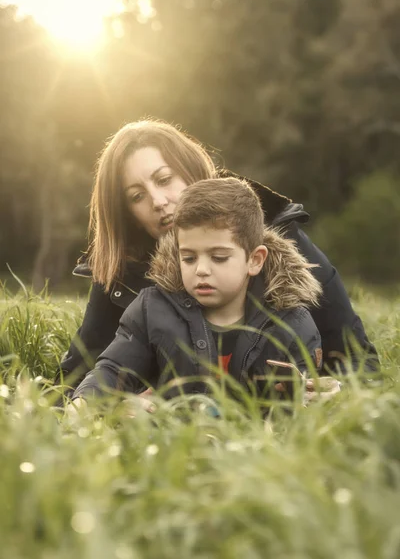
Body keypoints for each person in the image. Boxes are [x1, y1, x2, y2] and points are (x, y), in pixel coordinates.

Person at [55, 119, 378, 399]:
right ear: (128, 214)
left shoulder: (281, 240)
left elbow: (359, 362)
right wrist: (117, 405)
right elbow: (73, 381)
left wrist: (334, 394)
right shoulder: (122, 270)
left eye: (165, 179)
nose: (158, 201)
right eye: (137, 196)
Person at [70, 178, 323, 405]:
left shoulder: (293, 323)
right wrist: (84, 406)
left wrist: (308, 399)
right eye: (189, 258)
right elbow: (113, 369)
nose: (201, 270)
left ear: (255, 260)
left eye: (219, 257)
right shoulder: (152, 310)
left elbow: (305, 400)